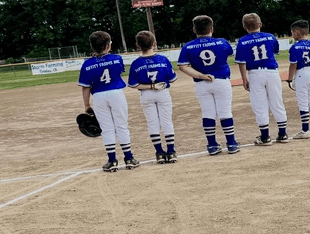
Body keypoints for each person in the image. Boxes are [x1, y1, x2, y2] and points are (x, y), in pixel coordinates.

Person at [177, 15, 240, 155]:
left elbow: (183, 66)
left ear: (194, 29)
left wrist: (201, 75)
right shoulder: (222, 42)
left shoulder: (188, 46)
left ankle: (212, 145)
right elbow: (230, 53)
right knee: (225, 112)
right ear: (211, 28)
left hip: (202, 83)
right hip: (221, 81)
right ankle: (231, 143)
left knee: (208, 113)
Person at [78, 31, 139, 172]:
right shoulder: (117, 58)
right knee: (122, 126)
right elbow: (119, 72)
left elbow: (85, 88)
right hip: (116, 94)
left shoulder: (87, 64)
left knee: (106, 128)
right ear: (107, 45)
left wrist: (87, 105)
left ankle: (112, 161)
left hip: (98, 96)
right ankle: (129, 158)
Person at [236, 13, 289, 145]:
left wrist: (244, 79)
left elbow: (241, 62)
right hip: (272, 72)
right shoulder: (270, 37)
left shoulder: (242, 41)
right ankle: (283, 134)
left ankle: (265, 137)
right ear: (260, 24)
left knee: (259, 105)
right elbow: (275, 52)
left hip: (254, 74)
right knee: (277, 102)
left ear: (244, 27)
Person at [127, 30, 179, 164]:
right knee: (166, 121)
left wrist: (150, 86)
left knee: (152, 122)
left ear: (138, 45)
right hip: (162, 92)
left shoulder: (136, 63)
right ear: (154, 44)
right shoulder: (162, 59)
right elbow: (173, 79)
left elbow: (133, 84)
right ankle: (171, 152)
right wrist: (158, 84)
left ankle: (159, 153)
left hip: (146, 94)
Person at [286, 20, 310, 139]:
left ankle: (305, 130)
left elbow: (293, 64)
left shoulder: (295, 47)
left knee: (302, 101)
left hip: (301, 73)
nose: (292, 34)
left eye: (292, 32)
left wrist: (289, 79)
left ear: (297, 31)